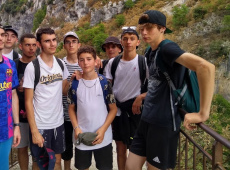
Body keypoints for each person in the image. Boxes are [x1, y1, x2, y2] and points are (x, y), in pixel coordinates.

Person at [126, 10, 215, 170]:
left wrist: (203, 113)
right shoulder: (149, 51)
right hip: (147, 120)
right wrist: (142, 97)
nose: (144, 32)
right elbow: (159, 84)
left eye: (150, 27)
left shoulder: (167, 48)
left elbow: (206, 67)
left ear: (162, 29)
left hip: (163, 123)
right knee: (130, 166)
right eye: (142, 28)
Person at [23, 27, 70, 170]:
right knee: (39, 162)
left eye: (54, 40)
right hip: (41, 124)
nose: (52, 44)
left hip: (58, 122)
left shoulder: (61, 64)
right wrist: (34, 131)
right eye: (47, 41)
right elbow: (28, 102)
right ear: (39, 44)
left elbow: (64, 90)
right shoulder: (33, 67)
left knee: (57, 160)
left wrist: (77, 78)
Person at [105, 27, 148, 170]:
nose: (128, 42)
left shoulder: (144, 62)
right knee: (120, 148)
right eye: (125, 39)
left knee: (136, 149)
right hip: (118, 111)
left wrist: (141, 96)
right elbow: (108, 87)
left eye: (132, 38)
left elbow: (155, 87)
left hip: (136, 111)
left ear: (138, 42)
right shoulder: (113, 63)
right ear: (121, 42)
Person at [68, 45, 117, 170]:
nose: (85, 63)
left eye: (89, 59)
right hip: (82, 135)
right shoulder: (74, 84)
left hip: (103, 137)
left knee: (105, 167)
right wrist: (76, 128)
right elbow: (71, 108)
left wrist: (103, 130)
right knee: (83, 167)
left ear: (96, 61)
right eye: (82, 60)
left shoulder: (104, 83)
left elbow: (113, 109)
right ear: (78, 62)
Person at [14, 33, 38, 170]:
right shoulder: (14, 65)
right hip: (20, 116)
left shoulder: (40, 64)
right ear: (21, 46)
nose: (31, 48)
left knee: (37, 151)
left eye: (34, 45)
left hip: (38, 115)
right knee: (22, 148)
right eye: (28, 45)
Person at [0, 24, 21, 169]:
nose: (1, 38)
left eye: (2, 34)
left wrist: (17, 125)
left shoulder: (10, 64)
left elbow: (13, 94)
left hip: (5, 129)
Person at [62, 31, 82, 170]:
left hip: (82, 114)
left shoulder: (86, 62)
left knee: (82, 146)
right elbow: (62, 90)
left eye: (74, 41)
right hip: (63, 113)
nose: (71, 44)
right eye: (68, 42)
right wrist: (71, 80)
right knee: (66, 147)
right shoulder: (59, 64)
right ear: (64, 46)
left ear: (79, 44)